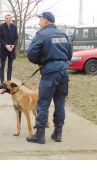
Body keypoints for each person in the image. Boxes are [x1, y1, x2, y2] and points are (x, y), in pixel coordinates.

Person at [26, 12, 73, 144]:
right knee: (60, 104)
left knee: (43, 103)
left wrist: (40, 62)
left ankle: (40, 135)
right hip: (63, 72)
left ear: (46, 20)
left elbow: (31, 54)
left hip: (50, 72)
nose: (38, 23)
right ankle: (58, 134)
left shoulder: (41, 34)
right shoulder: (63, 34)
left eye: (40, 20)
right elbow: (69, 53)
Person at [0, 14, 18, 88]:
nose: (8, 19)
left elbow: (16, 38)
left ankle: (9, 82)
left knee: (10, 66)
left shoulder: (14, 27)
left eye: (9, 18)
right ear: (5, 19)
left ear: (11, 19)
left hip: (11, 50)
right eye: (7, 18)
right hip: (4, 49)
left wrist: (13, 45)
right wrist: (6, 45)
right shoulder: (1, 26)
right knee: (2, 66)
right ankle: (2, 83)